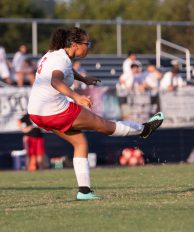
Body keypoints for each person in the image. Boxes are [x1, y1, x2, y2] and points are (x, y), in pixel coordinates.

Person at [27, 27, 164, 200]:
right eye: (87, 43)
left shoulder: (55, 54)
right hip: (54, 110)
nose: (89, 46)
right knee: (104, 125)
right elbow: (56, 80)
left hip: (36, 113)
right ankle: (144, 129)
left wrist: (83, 79)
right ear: (75, 45)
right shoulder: (61, 60)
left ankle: (84, 192)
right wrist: (77, 97)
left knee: (80, 143)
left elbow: (65, 70)